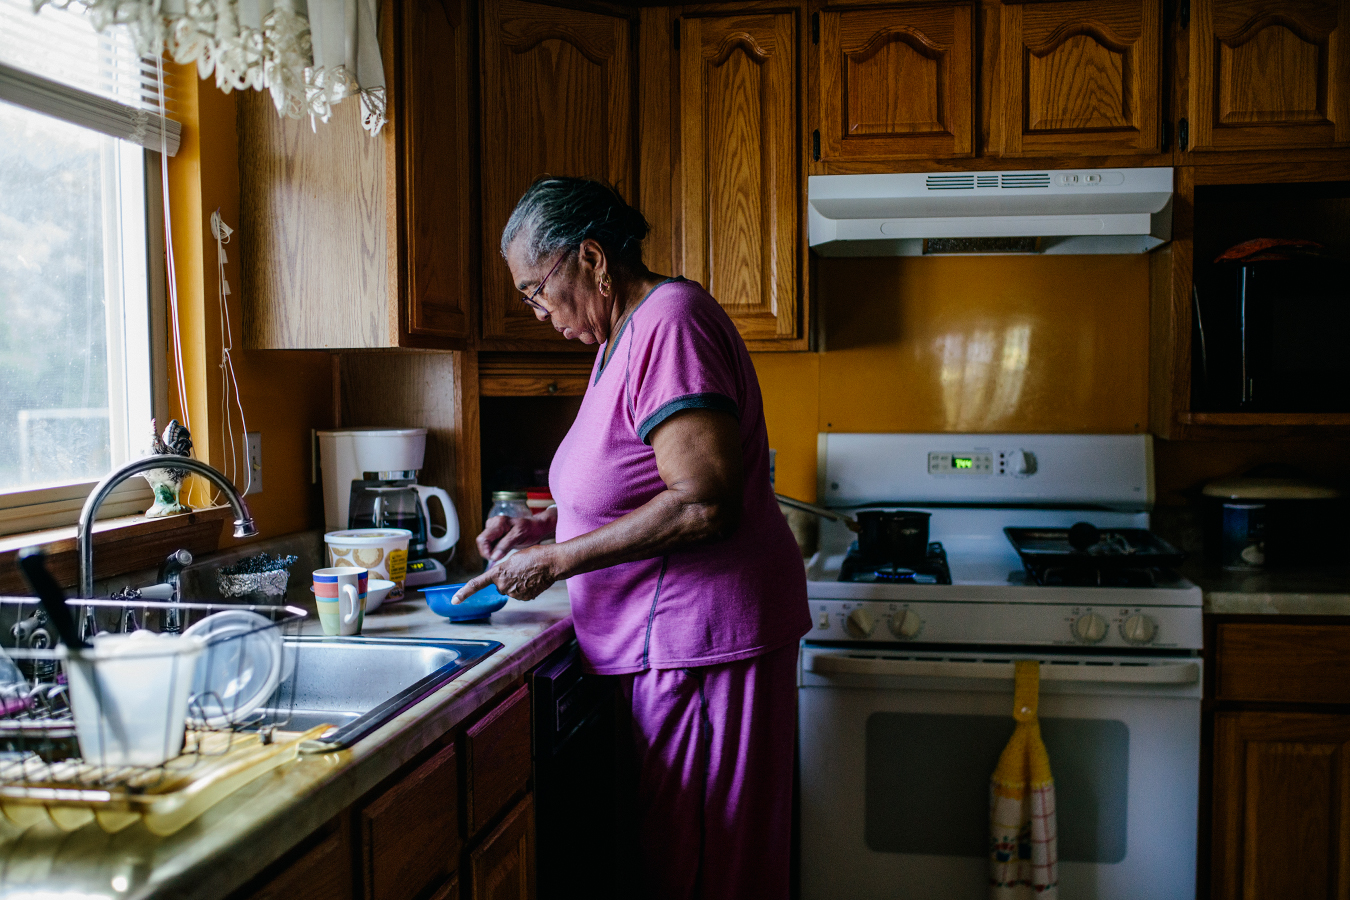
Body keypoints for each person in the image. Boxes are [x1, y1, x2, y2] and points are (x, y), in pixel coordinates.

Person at [452, 176, 809, 899]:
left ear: (590, 258)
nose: (538, 312)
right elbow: (634, 481)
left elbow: (705, 502)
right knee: (682, 853)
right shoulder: (622, 334)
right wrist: (544, 523)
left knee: (707, 865)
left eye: (536, 289)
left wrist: (559, 560)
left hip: (703, 643)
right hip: (671, 643)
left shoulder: (670, 321)